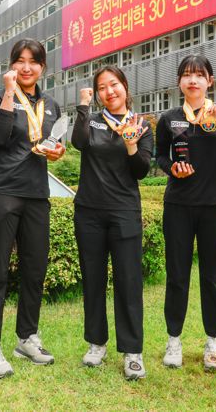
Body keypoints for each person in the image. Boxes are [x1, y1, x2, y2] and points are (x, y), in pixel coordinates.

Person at [0, 38, 65, 378]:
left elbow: (50, 143)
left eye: (34, 61)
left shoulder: (50, 104)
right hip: (1, 193)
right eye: (20, 60)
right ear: (11, 64)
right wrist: (10, 92)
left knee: (34, 269)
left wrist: (57, 152)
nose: (26, 67)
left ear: (43, 66)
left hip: (36, 195)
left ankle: (27, 337)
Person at [155, 54, 216, 372]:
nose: (193, 80)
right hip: (178, 205)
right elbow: (158, 157)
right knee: (177, 277)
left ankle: (212, 343)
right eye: (187, 75)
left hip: (214, 206)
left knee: (212, 278)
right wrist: (172, 168)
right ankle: (174, 341)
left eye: (199, 75)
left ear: (210, 81)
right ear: (179, 82)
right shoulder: (169, 118)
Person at [71, 66, 153, 381]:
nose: (109, 91)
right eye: (102, 87)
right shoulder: (92, 121)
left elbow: (141, 170)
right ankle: (96, 343)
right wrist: (83, 105)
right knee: (93, 280)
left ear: (125, 87)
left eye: (114, 85)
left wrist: (132, 143)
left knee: (128, 282)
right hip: (89, 212)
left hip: (124, 212)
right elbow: (79, 142)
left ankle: (133, 351)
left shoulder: (141, 124)